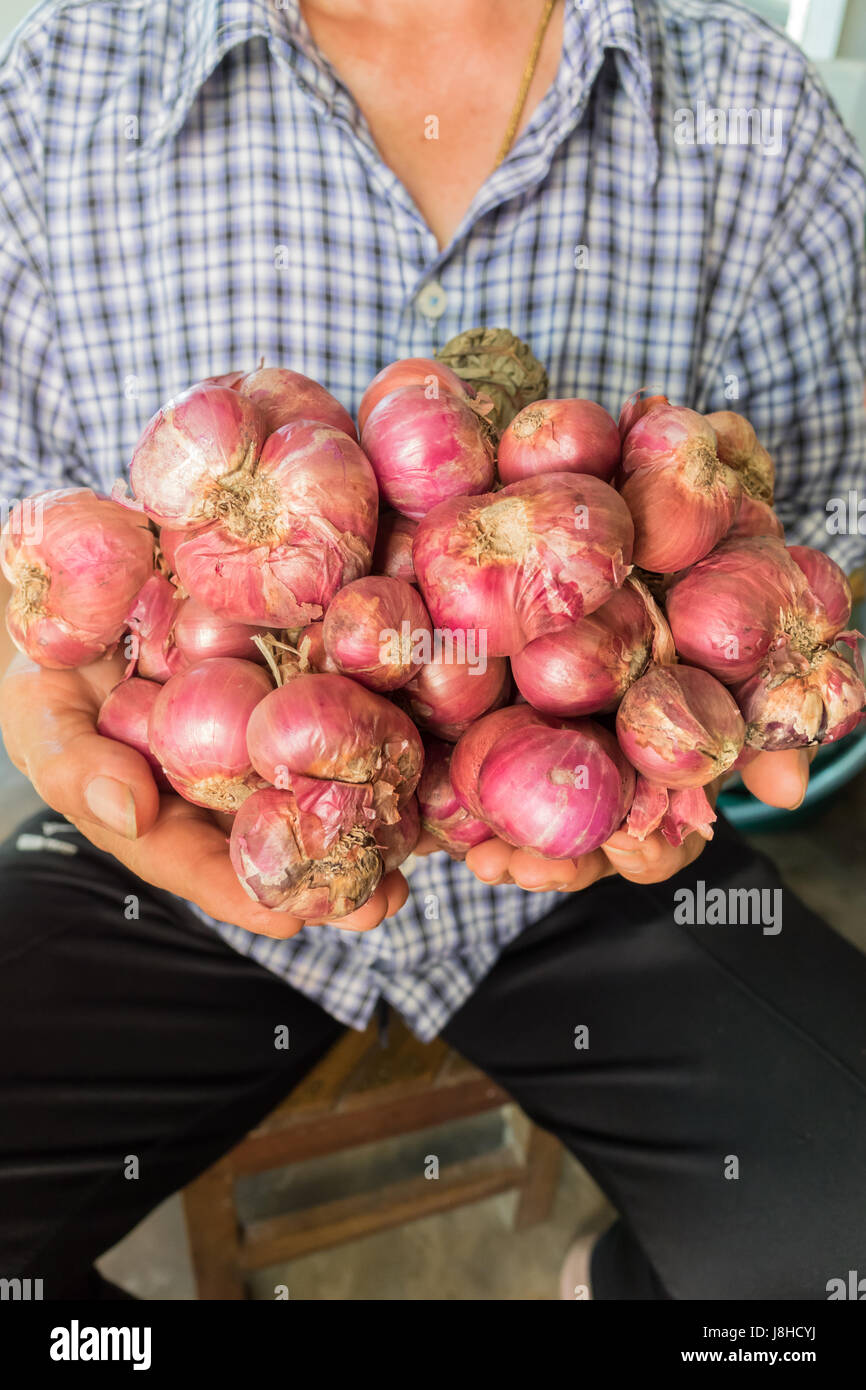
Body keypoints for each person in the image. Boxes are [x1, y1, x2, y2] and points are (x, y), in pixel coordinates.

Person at [0, 0, 864, 1301]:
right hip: (195, 830)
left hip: (595, 837)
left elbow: (826, 529)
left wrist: (771, 675)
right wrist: (32, 683)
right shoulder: (59, 82)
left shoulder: (754, 102)